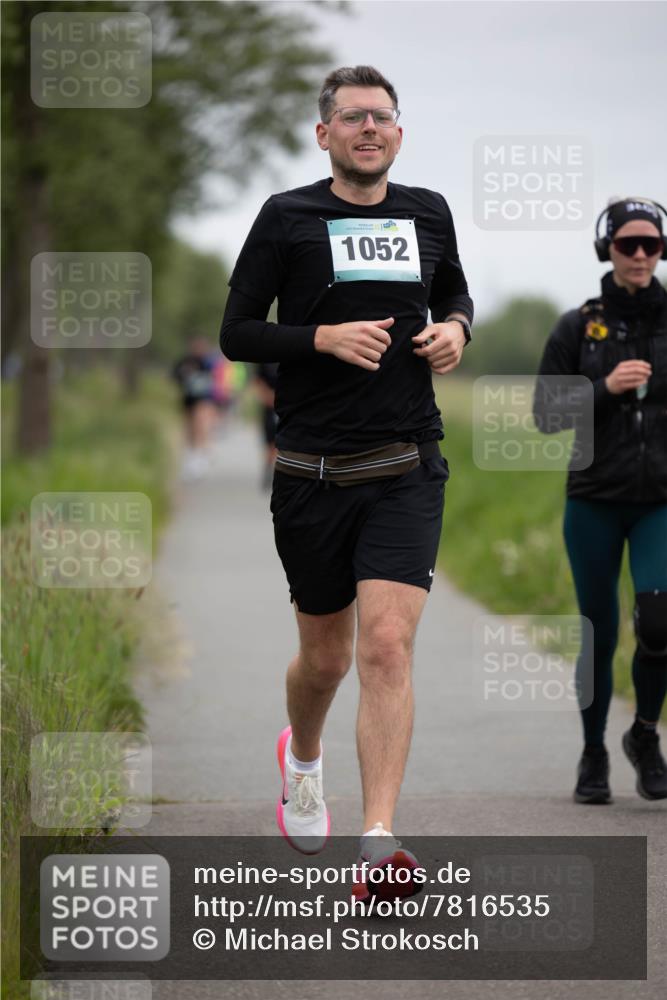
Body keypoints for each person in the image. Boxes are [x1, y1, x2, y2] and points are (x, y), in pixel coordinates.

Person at [220, 65, 473, 897]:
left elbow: (453, 291)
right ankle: (302, 758)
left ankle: (378, 841)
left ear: (399, 133)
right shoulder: (286, 216)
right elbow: (236, 333)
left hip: (405, 465)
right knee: (324, 660)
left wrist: (457, 330)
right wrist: (319, 338)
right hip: (311, 473)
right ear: (323, 133)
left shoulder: (427, 210)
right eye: (353, 116)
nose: (370, 128)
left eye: (383, 116)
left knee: (387, 647)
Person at [534, 196, 667, 804]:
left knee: (659, 622)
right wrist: (605, 387)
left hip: (659, 501)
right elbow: (545, 413)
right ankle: (593, 753)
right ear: (605, 249)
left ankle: (644, 735)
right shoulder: (576, 326)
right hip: (593, 499)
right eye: (626, 244)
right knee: (601, 631)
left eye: (651, 244)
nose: (639, 255)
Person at [172, 338, 218, 479]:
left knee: (201, 425)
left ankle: (201, 456)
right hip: (188, 398)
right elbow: (174, 375)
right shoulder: (184, 361)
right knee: (189, 428)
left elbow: (217, 377)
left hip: (204, 399)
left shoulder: (208, 361)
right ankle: (191, 456)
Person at [252, 361, 279, 490]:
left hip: (287, 406)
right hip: (269, 407)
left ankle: (278, 472)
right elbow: (258, 381)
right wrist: (268, 397)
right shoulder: (264, 361)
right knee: (270, 443)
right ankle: (268, 471)